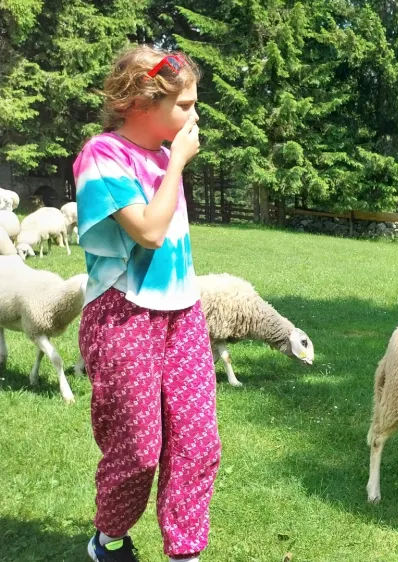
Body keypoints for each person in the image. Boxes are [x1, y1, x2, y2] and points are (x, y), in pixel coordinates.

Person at [73, 46, 216, 562]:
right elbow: (150, 233)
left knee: (197, 441)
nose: (193, 117)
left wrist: (171, 159)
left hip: (183, 312)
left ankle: (186, 552)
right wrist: (177, 161)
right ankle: (109, 537)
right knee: (137, 446)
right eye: (184, 106)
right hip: (122, 314)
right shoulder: (102, 155)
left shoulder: (160, 156)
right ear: (140, 102)